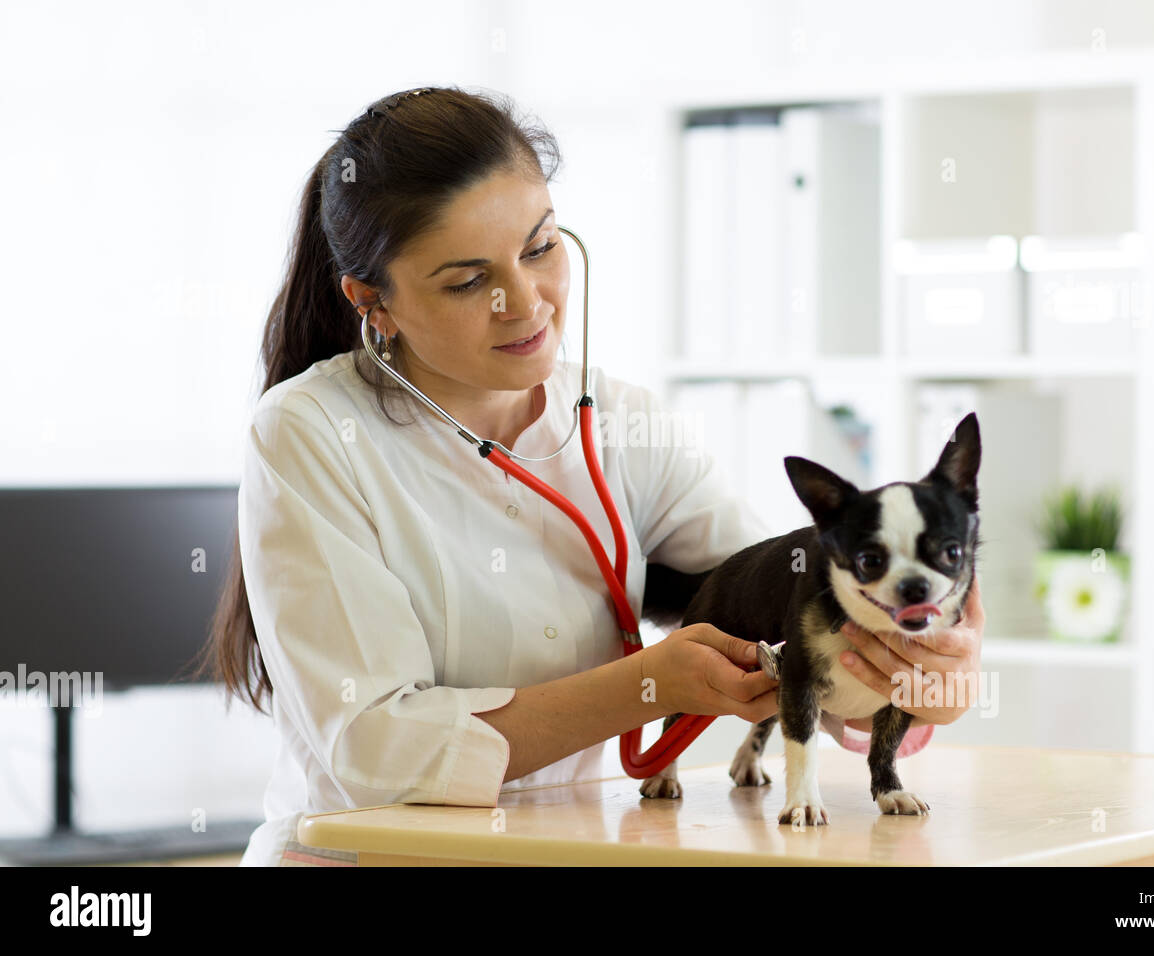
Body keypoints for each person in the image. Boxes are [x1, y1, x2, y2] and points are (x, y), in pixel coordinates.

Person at [200, 86, 982, 866]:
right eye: (468, 282)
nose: (525, 302)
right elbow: (374, 747)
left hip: (566, 850)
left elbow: (784, 598)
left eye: (540, 248)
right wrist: (650, 684)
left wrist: (919, 672)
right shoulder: (308, 434)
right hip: (364, 859)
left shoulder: (617, 419)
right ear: (374, 302)